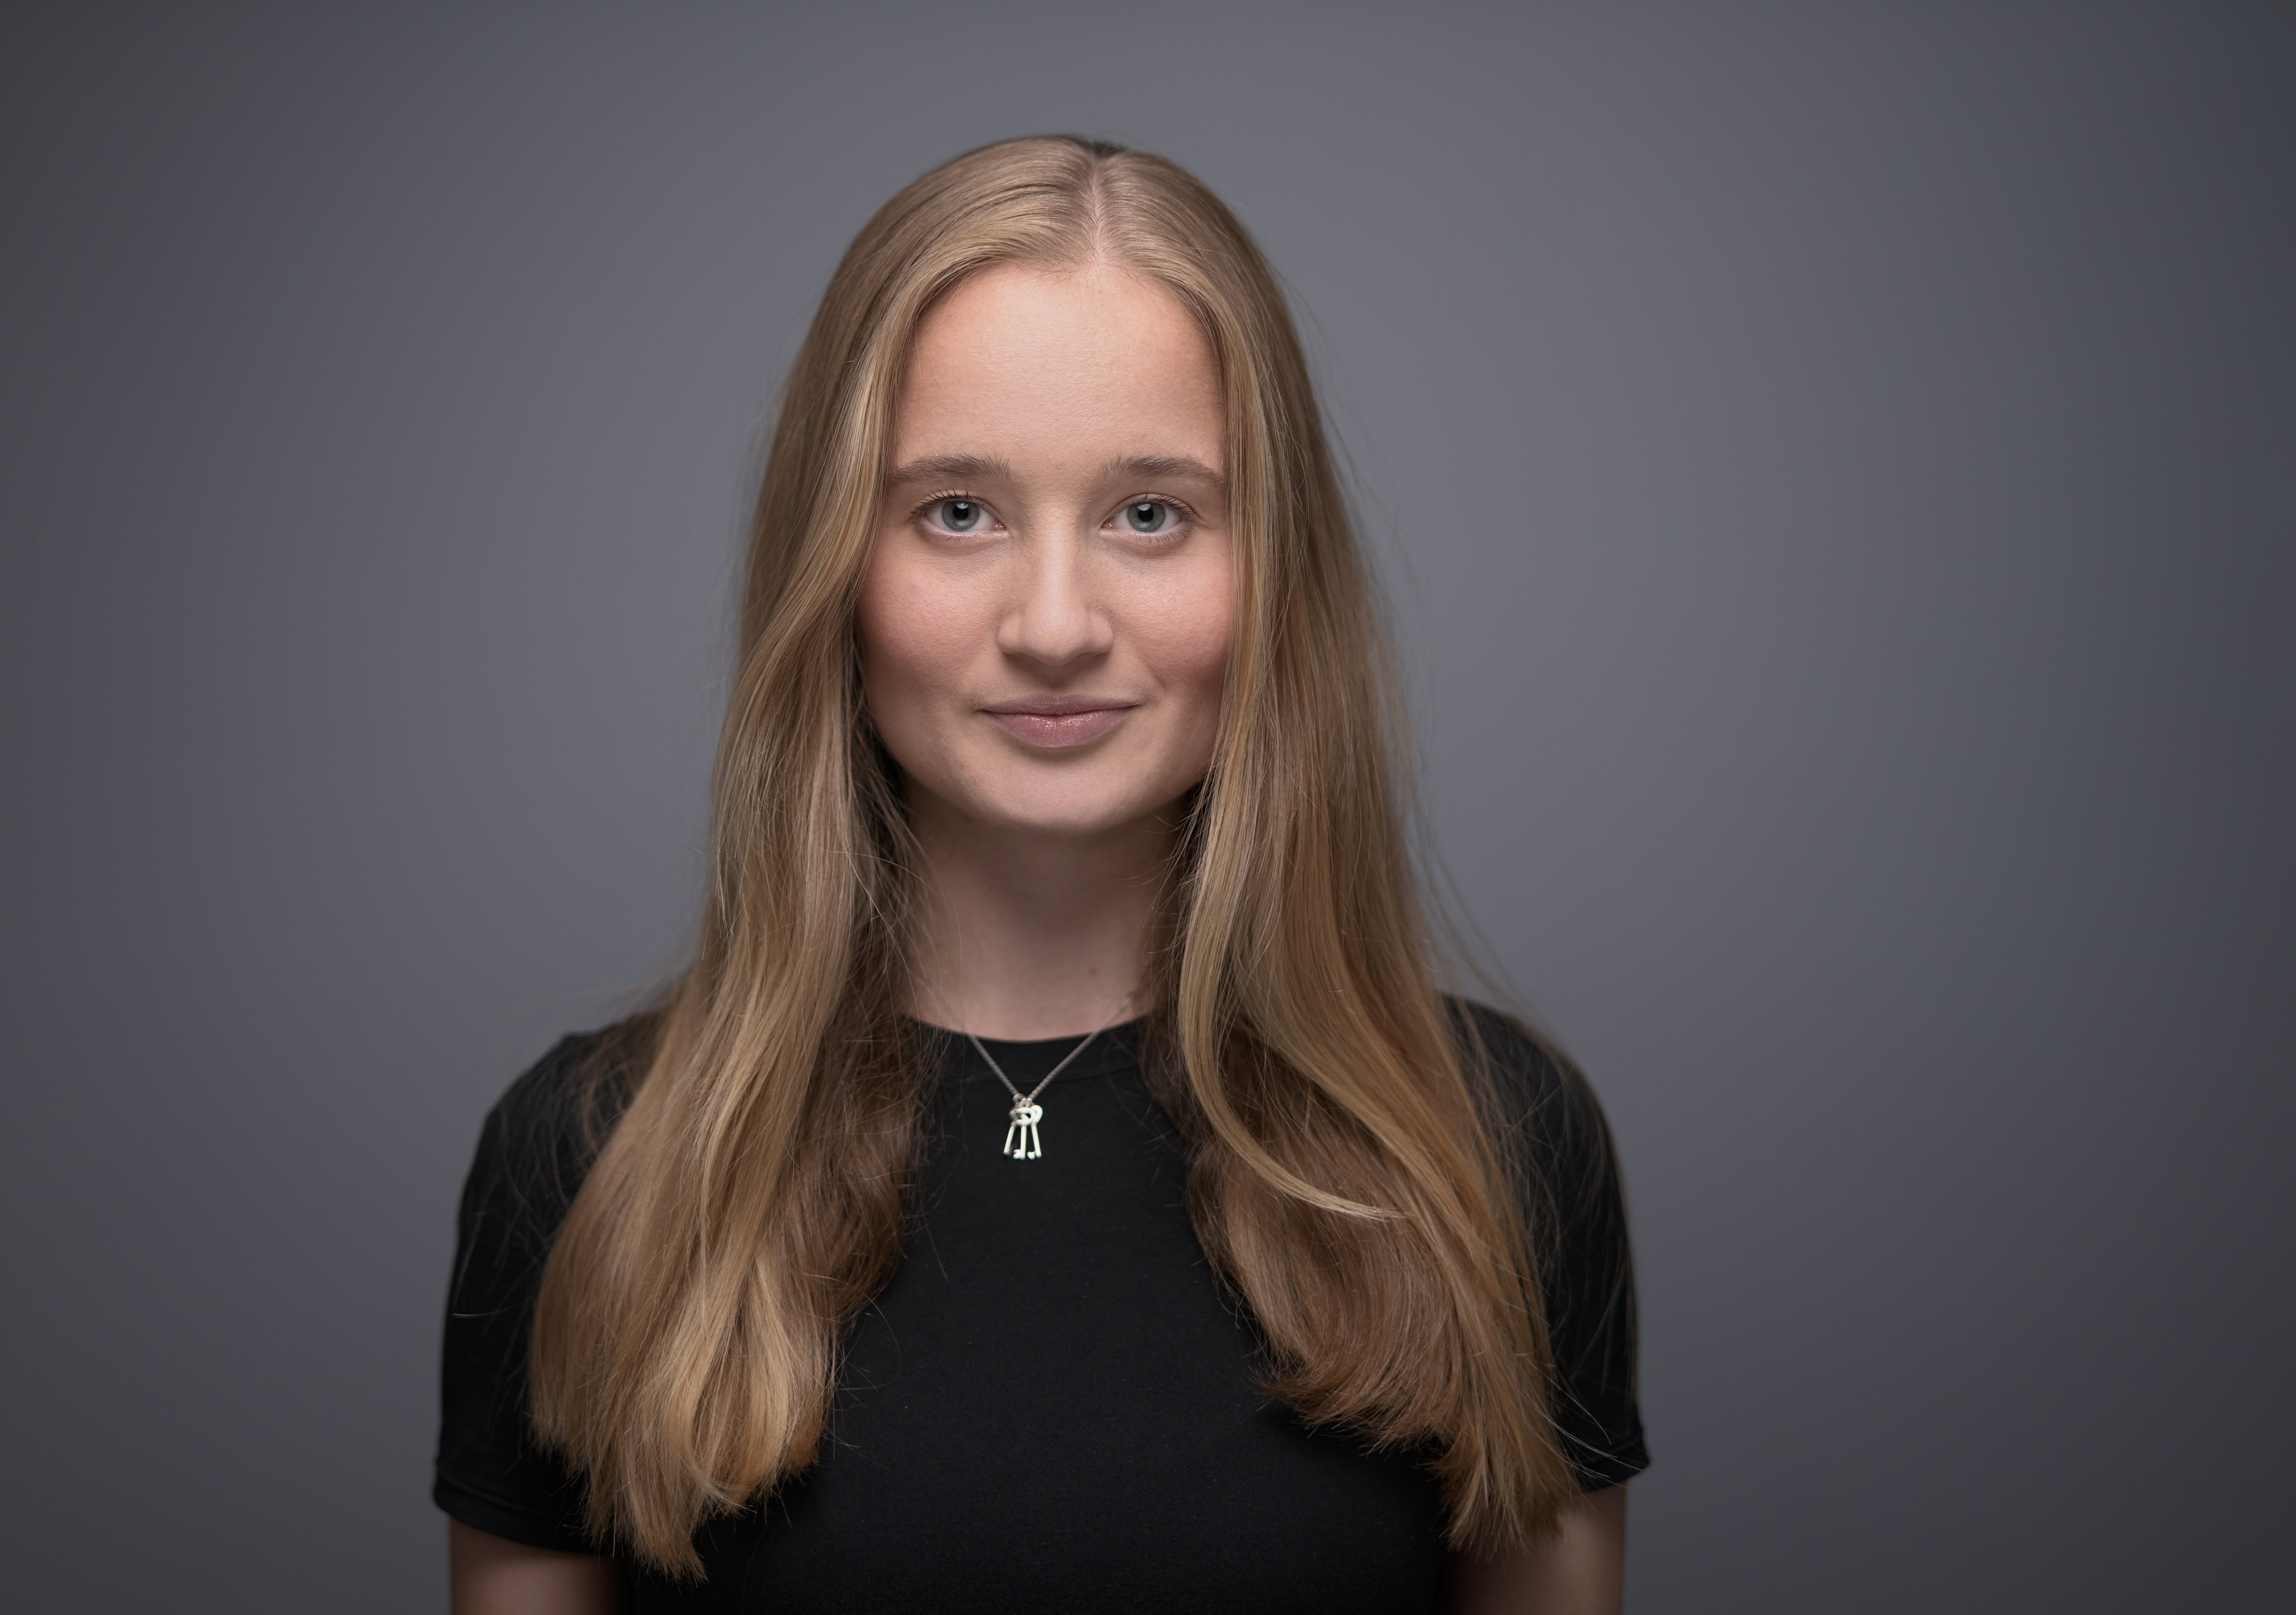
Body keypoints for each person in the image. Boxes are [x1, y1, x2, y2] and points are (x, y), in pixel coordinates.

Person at [435, 134, 1646, 1614]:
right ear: (836, 566)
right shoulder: (591, 1162)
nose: (1056, 625)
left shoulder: (1497, 1150)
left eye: (1152, 513)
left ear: (1274, 569)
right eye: (959, 511)